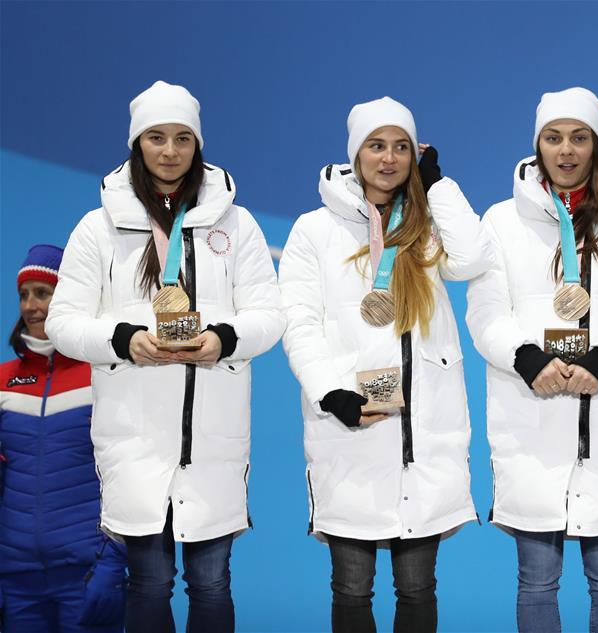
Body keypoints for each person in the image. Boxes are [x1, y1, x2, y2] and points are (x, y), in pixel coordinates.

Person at [45, 81, 285, 633]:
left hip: (214, 440)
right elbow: (63, 323)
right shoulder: (97, 227)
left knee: (212, 584)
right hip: (134, 438)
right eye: (157, 137)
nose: (170, 151)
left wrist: (224, 338)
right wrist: (122, 339)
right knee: (148, 583)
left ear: (198, 145)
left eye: (182, 138)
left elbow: (269, 316)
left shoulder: (236, 224)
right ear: (137, 144)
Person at [279, 96, 489, 633]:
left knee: (418, 589)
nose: (389, 159)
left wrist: (437, 183)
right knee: (352, 590)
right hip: (351, 428)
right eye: (376, 146)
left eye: (401, 147)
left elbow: (472, 259)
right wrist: (332, 395)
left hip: (422, 435)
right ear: (355, 155)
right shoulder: (314, 230)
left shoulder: (428, 222)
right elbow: (300, 324)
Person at [466, 87, 598, 633]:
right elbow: (485, 314)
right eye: (553, 138)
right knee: (536, 580)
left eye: (579, 138)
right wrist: (528, 360)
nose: (566, 150)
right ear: (537, 147)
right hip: (532, 414)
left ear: (597, 147)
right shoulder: (501, 221)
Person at [0, 244, 127, 633]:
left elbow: (127, 472)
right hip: (16, 579)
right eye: (24, 295)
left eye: (43, 293)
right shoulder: (4, 380)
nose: (30, 305)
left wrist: (114, 560)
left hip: (85, 573)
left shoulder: (103, 373)